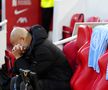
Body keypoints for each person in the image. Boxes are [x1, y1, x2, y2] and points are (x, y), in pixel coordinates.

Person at [10, 25, 72, 90]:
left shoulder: (43, 50)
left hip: (59, 81)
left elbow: (29, 75)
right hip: (46, 77)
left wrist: (19, 57)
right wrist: (22, 55)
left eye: (15, 45)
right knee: (15, 80)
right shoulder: (32, 45)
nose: (15, 48)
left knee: (27, 86)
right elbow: (18, 72)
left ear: (22, 39)